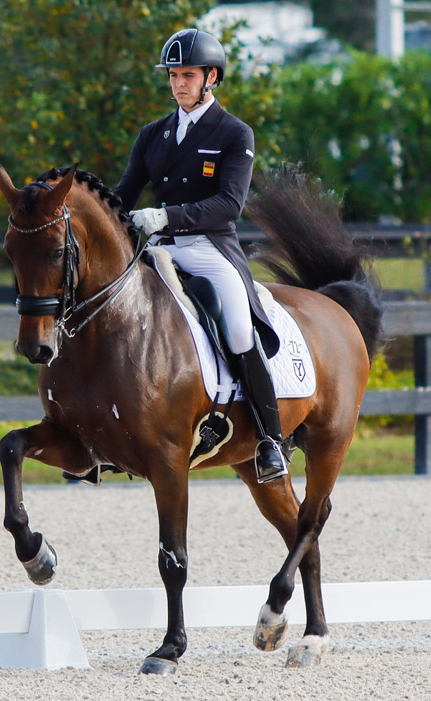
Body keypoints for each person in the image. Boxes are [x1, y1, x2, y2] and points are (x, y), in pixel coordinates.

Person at [115, 28, 287, 483]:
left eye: (187, 75)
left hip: (208, 247)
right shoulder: (153, 134)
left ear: (211, 77)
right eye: (173, 75)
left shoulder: (233, 133)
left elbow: (229, 204)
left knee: (236, 326)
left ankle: (271, 440)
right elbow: (124, 194)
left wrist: (166, 216)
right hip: (157, 248)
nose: (178, 84)